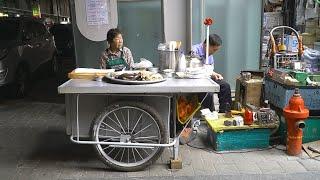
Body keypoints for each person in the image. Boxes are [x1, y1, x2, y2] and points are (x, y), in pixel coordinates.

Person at [191, 33, 232, 112]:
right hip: (196, 79)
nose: (214, 52)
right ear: (206, 45)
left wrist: (215, 74)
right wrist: (209, 73)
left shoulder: (209, 54)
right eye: (214, 50)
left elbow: (209, 70)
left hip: (207, 77)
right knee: (208, 92)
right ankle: (209, 115)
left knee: (225, 86)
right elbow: (193, 69)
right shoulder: (194, 51)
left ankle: (225, 112)